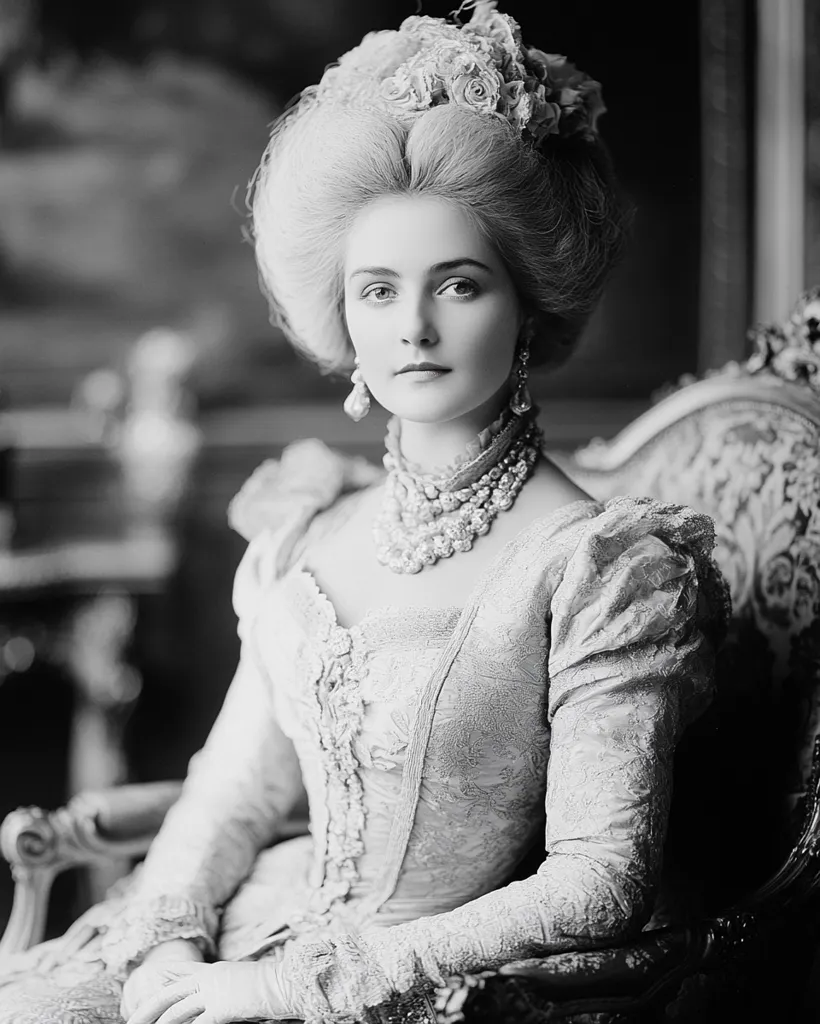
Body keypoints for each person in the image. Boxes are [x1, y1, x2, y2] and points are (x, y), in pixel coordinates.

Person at [0, 2, 730, 1022]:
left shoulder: (599, 570)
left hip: (419, 985)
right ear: (341, 314)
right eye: (378, 291)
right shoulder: (307, 531)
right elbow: (233, 792)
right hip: (244, 928)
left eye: (458, 286)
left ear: (526, 305)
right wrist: (167, 938)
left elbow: (598, 883)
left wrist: (286, 985)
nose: (413, 328)